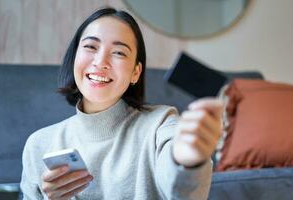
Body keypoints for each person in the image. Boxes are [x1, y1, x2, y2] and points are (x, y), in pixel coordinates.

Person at [20, 7, 224, 200]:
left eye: (119, 52)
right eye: (91, 47)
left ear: (136, 72)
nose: (100, 62)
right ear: (74, 57)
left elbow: (183, 191)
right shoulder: (38, 145)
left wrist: (186, 162)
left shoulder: (161, 124)